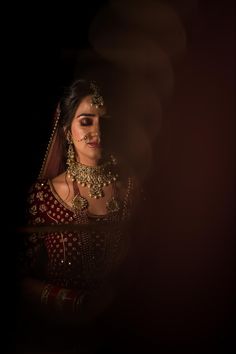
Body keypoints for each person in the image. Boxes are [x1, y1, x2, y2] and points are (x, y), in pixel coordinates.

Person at [16, 78, 141, 353]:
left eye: (103, 121)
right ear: (66, 130)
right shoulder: (44, 196)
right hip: (60, 337)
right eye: (86, 121)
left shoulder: (133, 190)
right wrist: (72, 301)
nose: (97, 131)